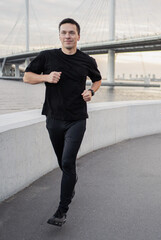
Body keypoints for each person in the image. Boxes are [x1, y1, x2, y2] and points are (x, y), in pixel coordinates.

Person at [23, 18, 102, 227]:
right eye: (64, 32)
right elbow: (27, 77)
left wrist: (91, 91)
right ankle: (71, 182)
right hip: (53, 118)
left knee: (68, 162)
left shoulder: (87, 60)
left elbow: (97, 79)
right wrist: (46, 78)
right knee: (63, 163)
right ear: (59, 35)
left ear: (78, 36)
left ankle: (62, 210)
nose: (68, 36)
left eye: (72, 33)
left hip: (77, 119)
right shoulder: (47, 57)